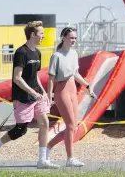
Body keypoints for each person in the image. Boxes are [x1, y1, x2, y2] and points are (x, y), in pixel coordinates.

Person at [0, 21, 60, 169]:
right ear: (33, 35)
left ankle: (42, 160)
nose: (43, 36)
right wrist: (32, 92)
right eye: (41, 33)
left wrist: (43, 91)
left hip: (36, 95)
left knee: (44, 123)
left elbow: (35, 75)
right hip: (23, 96)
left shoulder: (37, 52)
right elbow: (17, 78)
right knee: (21, 130)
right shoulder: (21, 52)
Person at [45, 27, 93, 167]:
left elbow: (76, 73)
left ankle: (48, 146)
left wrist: (87, 86)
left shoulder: (74, 53)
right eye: (71, 37)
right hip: (62, 91)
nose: (73, 40)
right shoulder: (56, 56)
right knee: (70, 124)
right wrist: (49, 96)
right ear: (64, 38)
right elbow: (51, 79)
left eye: (75, 38)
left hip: (73, 90)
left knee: (73, 126)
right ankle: (70, 158)